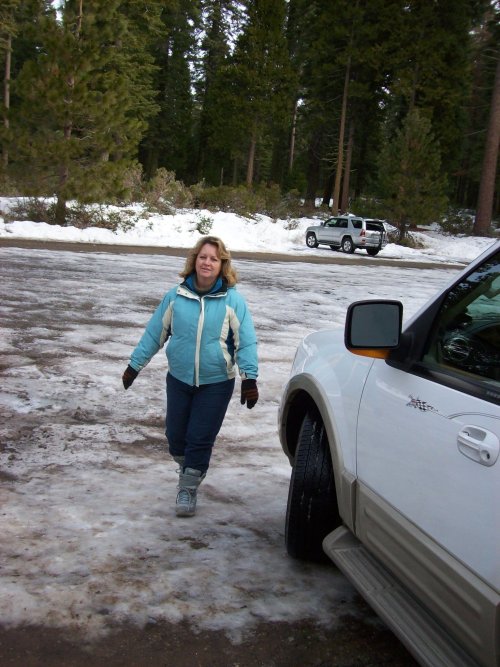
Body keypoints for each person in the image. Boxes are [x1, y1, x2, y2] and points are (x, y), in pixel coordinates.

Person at [122, 236, 259, 517]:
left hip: (216, 383)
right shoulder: (176, 296)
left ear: (222, 265)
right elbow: (154, 333)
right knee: (175, 437)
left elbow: (246, 341)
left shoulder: (233, 300)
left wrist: (250, 378)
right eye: (203, 257)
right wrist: (135, 365)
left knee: (199, 437)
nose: (207, 262)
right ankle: (191, 470)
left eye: (214, 258)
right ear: (194, 260)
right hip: (179, 380)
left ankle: (187, 487)